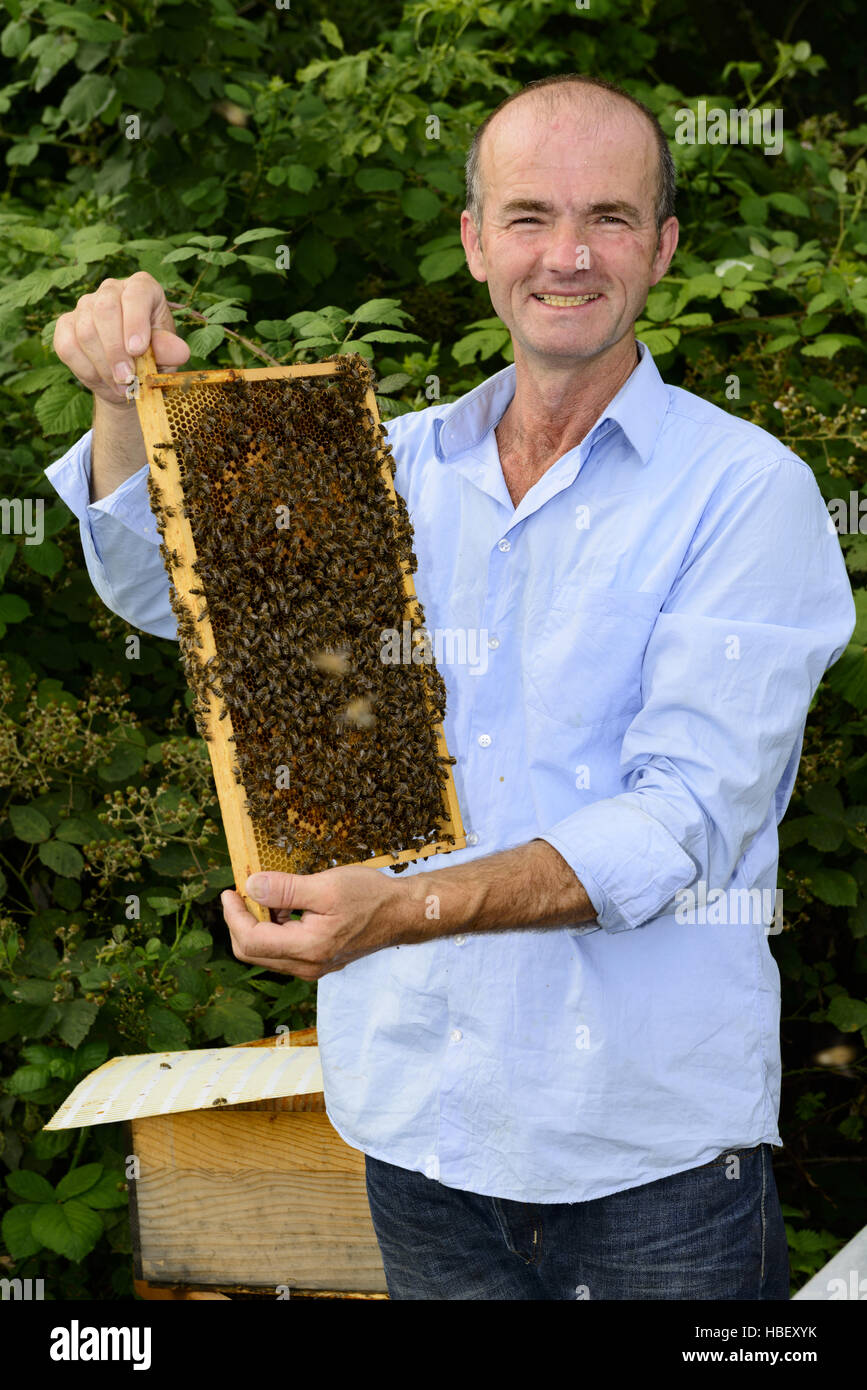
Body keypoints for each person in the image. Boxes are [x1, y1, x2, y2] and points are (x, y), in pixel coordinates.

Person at [47, 73, 855, 1301]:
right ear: (477, 243)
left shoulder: (748, 494)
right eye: (529, 215)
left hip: (647, 1173)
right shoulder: (385, 468)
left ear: (665, 246)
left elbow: (678, 822)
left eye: (612, 218)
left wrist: (403, 909)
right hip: (419, 1140)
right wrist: (120, 400)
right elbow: (173, 595)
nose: (567, 255)